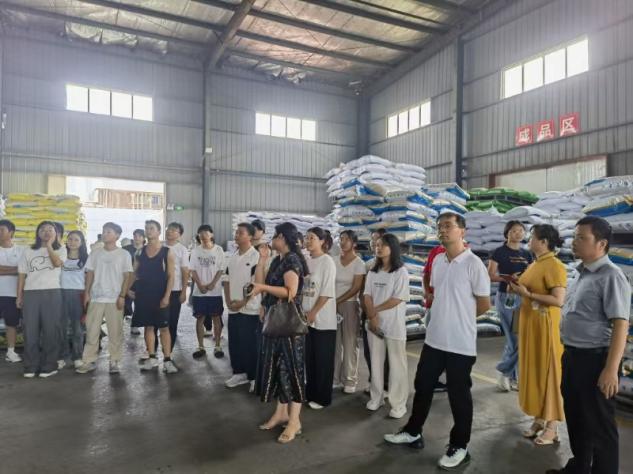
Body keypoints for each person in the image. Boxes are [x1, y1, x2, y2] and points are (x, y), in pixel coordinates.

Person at [385, 212, 490, 470]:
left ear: (462, 231)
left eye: (448, 226)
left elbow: (484, 304)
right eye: (440, 226)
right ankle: (413, 431)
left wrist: (459, 319)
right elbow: (436, 294)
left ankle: (460, 445)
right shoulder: (439, 261)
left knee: (458, 395)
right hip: (434, 339)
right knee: (423, 385)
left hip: (460, 343)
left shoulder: (473, 264)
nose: (443, 230)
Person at [546, 217, 631, 474]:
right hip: (573, 357)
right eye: (575, 236)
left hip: (596, 361)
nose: (574, 242)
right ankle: (580, 467)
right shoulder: (581, 273)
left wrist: (610, 369)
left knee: (601, 427)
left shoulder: (611, 276)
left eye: (582, 238)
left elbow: (621, 324)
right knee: (576, 418)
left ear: (601, 244)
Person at [250, 222, 309, 444]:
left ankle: (294, 421)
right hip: (276, 322)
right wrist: (262, 260)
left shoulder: (292, 261)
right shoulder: (278, 260)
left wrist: (264, 289)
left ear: (283, 238)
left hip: (289, 325)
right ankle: (281, 413)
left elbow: (290, 292)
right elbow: (259, 283)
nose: (271, 239)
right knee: (278, 368)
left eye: (274, 236)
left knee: (292, 369)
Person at [509, 224, 567, 446]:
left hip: (545, 326)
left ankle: (552, 425)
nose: (528, 240)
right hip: (531, 325)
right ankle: (539, 418)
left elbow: (558, 300)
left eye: (532, 237)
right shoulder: (535, 263)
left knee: (549, 372)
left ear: (543, 242)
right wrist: (517, 286)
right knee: (534, 372)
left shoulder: (554, 265)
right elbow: (528, 290)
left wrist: (528, 294)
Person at [76, 223, 133, 374]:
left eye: (109, 232)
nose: (105, 234)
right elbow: (90, 274)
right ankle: (88, 361)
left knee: (115, 332)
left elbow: (127, 276)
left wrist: (122, 296)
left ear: (117, 235)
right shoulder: (95, 253)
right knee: (92, 331)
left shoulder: (124, 254)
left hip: (115, 298)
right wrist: (87, 293)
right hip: (96, 298)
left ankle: (114, 361)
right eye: (103, 231)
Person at [363, 233, 410, 419]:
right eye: (377, 245)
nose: (378, 248)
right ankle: (377, 397)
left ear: (393, 248)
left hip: (394, 325)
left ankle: (398, 403)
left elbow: (397, 299)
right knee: (375, 362)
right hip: (374, 323)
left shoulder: (401, 272)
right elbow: (367, 295)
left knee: (397, 364)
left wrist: (374, 312)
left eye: (382, 245)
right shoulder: (373, 272)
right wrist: (371, 316)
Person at [17, 221, 66, 378]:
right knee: (30, 331)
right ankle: (30, 366)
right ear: (38, 233)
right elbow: (22, 274)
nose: (46, 232)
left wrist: (50, 246)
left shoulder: (61, 249)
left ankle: (49, 365)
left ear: (56, 234)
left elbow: (57, 263)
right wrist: (19, 296)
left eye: (50, 230)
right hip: (31, 293)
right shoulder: (28, 251)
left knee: (51, 330)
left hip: (52, 292)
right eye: (43, 229)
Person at [488, 221, 532, 392]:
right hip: (506, 297)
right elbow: (491, 275)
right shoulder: (499, 252)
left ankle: (512, 378)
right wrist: (509, 279)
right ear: (507, 233)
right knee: (514, 339)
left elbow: (531, 274)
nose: (518, 233)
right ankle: (504, 371)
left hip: (522, 296)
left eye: (521, 231)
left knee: (516, 339)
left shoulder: (527, 254)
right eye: (514, 231)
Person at [133, 220, 177, 374]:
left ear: (159, 232)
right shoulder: (139, 252)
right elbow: (134, 273)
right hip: (144, 296)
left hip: (160, 295)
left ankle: (167, 360)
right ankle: (152, 358)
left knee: (164, 328)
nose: (148, 231)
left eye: (152, 228)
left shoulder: (167, 252)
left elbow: (171, 276)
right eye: (146, 228)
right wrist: (128, 290)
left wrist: (166, 296)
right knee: (149, 327)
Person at [223, 222, 261, 389]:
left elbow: (256, 283)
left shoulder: (255, 257)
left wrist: (243, 302)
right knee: (235, 342)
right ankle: (239, 373)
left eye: (240, 233)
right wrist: (228, 301)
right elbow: (226, 280)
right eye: (236, 232)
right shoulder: (232, 256)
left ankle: (253, 377)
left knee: (250, 344)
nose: (236, 235)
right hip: (233, 307)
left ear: (250, 236)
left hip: (250, 308)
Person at [303, 227, 337, 410]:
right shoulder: (306, 261)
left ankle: (323, 397)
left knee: (323, 360)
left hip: (323, 319)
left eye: (312, 238)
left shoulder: (327, 262)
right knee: (310, 358)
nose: (308, 241)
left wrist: (313, 312)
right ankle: (310, 392)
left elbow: (326, 292)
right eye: (306, 238)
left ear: (322, 241)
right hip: (306, 317)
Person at [332, 229, 366, 394]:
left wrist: (338, 301)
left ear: (354, 243)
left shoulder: (359, 263)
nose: (343, 242)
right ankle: (335, 378)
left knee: (350, 343)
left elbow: (356, 288)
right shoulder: (333, 260)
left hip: (349, 305)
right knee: (335, 343)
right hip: (331, 305)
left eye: (346, 239)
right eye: (341, 239)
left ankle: (350, 379)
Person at [189, 225, 225, 359]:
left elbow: (221, 269)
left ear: (211, 234)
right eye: (200, 233)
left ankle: (217, 346)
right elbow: (192, 270)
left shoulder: (218, 250)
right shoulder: (195, 251)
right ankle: (200, 346)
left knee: (216, 318)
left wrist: (212, 284)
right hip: (199, 292)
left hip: (215, 292)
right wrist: (200, 285)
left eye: (206, 233)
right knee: (200, 318)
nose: (203, 236)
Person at [361, 228, 388, 390]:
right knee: (369, 350)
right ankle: (374, 382)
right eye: (372, 240)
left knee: (386, 352)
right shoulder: (369, 265)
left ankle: (385, 385)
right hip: (368, 311)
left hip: (385, 314)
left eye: (377, 240)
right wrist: (367, 312)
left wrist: (376, 311)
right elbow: (364, 292)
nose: (374, 244)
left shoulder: (396, 268)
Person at [59, 230, 88, 370]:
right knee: (61, 327)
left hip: (78, 295)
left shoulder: (86, 259)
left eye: (76, 240)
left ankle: (77, 357)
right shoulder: (61, 256)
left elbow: (89, 280)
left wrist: (87, 296)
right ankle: (61, 357)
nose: (73, 242)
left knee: (77, 328)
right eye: (70, 239)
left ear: (81, 243)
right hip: (61, 293)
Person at [160, 222, 189, 350]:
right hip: (158, 289)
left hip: (175, 289)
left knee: (172, 320)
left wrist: (183, 291)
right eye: (168, 229)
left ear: (179, 234)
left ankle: (168, 350)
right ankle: (152, 349)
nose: (169, 232)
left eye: (173, 230)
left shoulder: (182, 250)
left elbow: (185, 271)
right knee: (156, 320)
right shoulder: (159, 246)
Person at [0, 220, 24, 363]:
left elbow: (24, 270)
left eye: (1, 230)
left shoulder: (21, 250)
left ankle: (11, 352)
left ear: (11, 233)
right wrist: (15, 270)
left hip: (13, 294)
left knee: (11, 324)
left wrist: (3, 269)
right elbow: (19, 270)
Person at [124, 229, 146, 330]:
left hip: (141, 281)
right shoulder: (126, 249)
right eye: (135, 236)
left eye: (139, 236)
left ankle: (135, 325)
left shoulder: (147, 249)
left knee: (139, 303)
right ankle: (123, 320)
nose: (137, 238)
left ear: (144, 238)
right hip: (127, 279)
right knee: (126, 303)